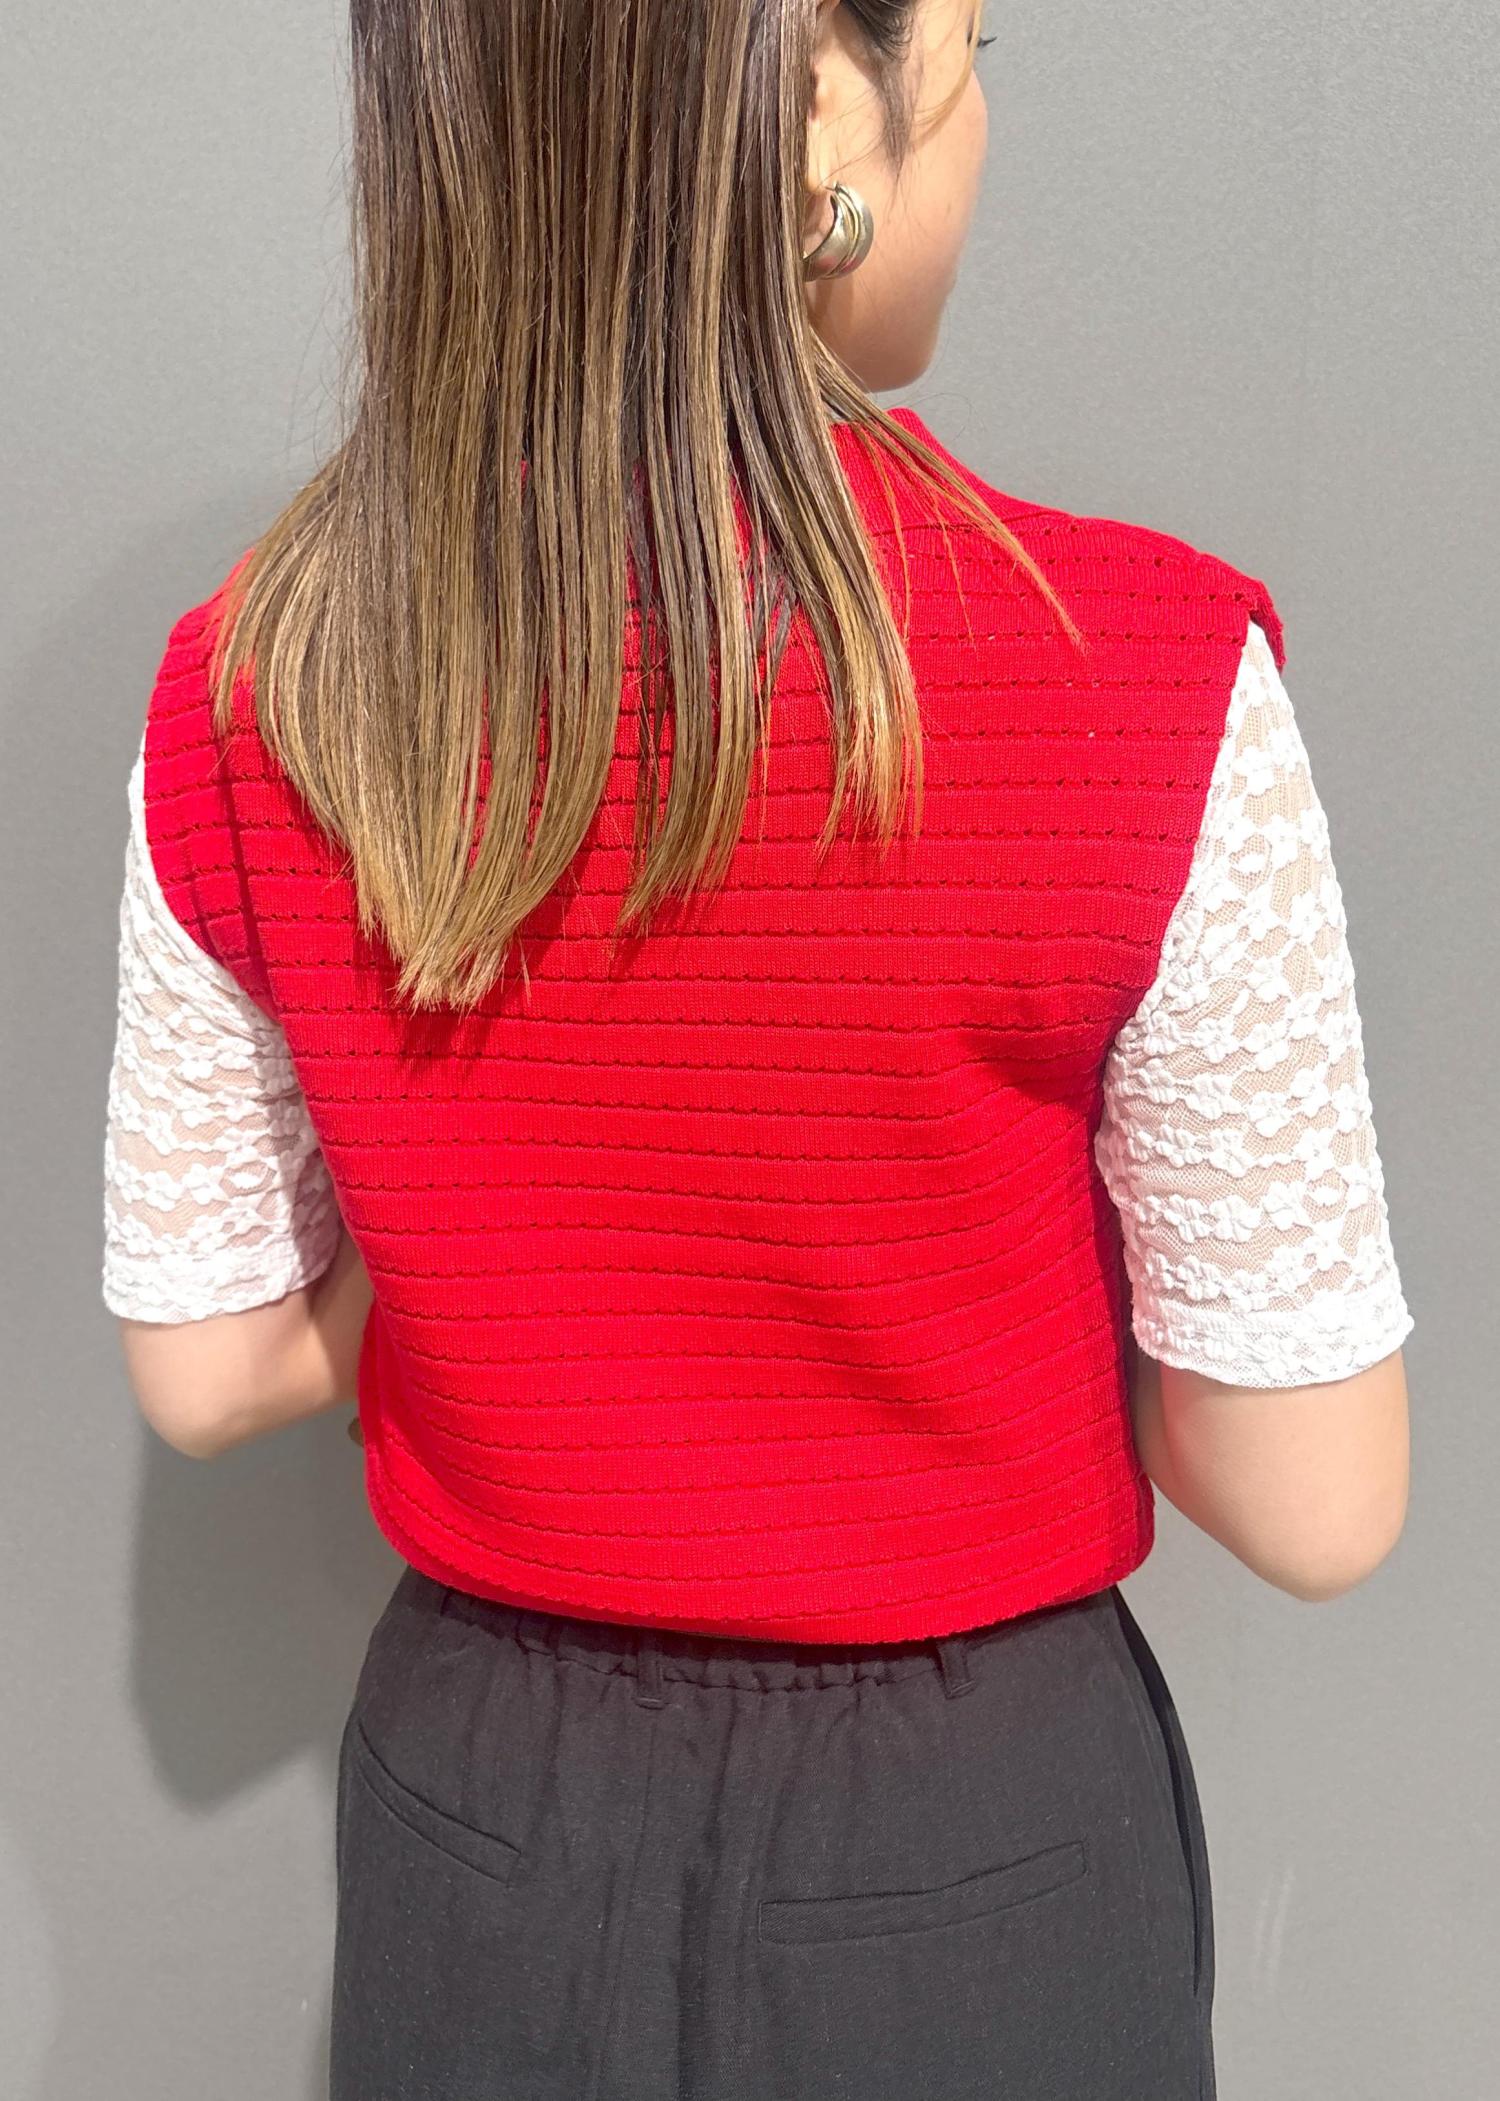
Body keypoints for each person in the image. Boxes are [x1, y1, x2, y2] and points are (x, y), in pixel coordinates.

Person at [100, 2, 1413, 2095]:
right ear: (816, 102)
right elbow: (1317, 1502)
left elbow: (209, 1369)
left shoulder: (251, 688)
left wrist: (505, 1251)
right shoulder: (1143, 678)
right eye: (971, 52)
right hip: (974, 1846)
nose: (978, 127)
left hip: (484, 1823)